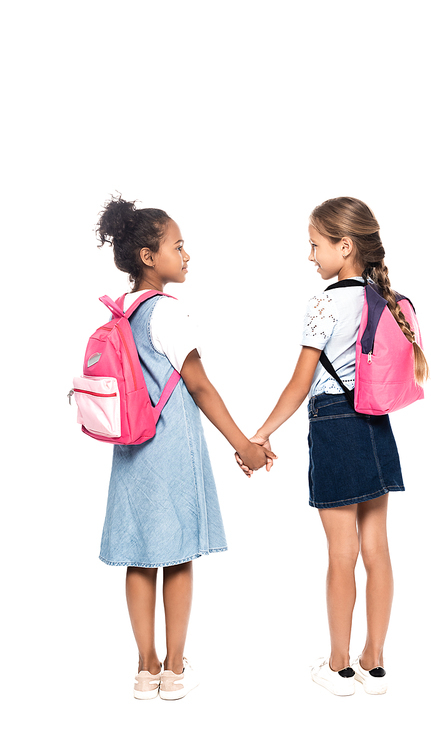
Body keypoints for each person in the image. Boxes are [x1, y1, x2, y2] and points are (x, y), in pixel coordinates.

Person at [236, 197, 428, 696]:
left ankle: (340, 666)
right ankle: (375, 664)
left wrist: (261, 432)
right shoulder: (382, 298)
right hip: (376, 427)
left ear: (345, 247)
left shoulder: (323, 301)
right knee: (378, 550)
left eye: (315, 245)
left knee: (341, 554)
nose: (310, 255)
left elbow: (300, 384)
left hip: (335, 427)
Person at [96, 195, 275, 701]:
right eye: (178, 246)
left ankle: (144, 666)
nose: (186, 254)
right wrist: (245, 444)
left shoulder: (123, 312)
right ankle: (174, 669)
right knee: (175, 555)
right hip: (169, 444)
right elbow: (200, 387)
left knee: (138, 554)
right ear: (149, 257)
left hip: (131, 447)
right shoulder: (168, 313)